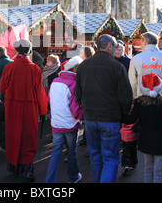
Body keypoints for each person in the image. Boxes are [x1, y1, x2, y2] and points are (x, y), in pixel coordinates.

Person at [75, 34, 133, 183]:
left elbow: (78, 93)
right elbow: (126, 96)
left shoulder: (83, 65)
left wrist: (86, 108)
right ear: (108, 46)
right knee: (110, 158)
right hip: (110, 119)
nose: (116, 50)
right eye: (114, 46)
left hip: (90, 119)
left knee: (95, 156)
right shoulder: (117, 67)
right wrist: (124, 113)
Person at [0, 39, 48, 181]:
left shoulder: (9, 67)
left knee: (13, 136)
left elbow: (1, 87)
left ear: (18, 51)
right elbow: (40, 92)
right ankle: (28, 168)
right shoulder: (35, 69)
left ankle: (14, 165)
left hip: (12, 106)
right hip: (30, 107)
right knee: (28, 137)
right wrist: (43, 111)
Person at [123, 73, 162, 183]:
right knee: (159, 171)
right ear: (159, 86)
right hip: (160, 140)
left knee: (148, 168)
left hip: (145, 140)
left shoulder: (139, 102)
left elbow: (131, 119)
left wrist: (118, 115)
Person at [45, 56, 83, 183]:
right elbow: (75, 109)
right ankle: (73, 177)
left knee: (55, 153)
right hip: (70, 124)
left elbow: (49, 99)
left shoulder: (55, 81)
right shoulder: (74, 83)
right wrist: (82, 118)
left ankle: (50, 181)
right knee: (71, 151)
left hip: (56, 123)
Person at [128, 32, 162, 102]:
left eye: (141, 42)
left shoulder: (135, 59)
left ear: (144, 42)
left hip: (143, 100)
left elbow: (133, 82)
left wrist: (137, 96)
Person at [115, 39, 137, 176]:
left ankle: (128, 154)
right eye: (117, 49)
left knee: (127, 122)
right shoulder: (111, 62)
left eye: (121, 49)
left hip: (126, 94)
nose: (119, 51)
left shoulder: (128, 62)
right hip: (114, 96)